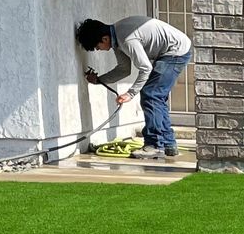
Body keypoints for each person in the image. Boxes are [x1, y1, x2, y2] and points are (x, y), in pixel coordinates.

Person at [77, 16, 192, 161]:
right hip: (173, 51)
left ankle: (155, 145)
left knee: (151, 95)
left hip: (176, 52)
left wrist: (130, 94)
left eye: (97, 47)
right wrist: (99, 80)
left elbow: (145, 68)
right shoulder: (117, 37)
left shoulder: (126, 39)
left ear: (105, 39)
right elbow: (124, 70)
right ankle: (168, 144)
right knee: (156, 96)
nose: (99, 50)